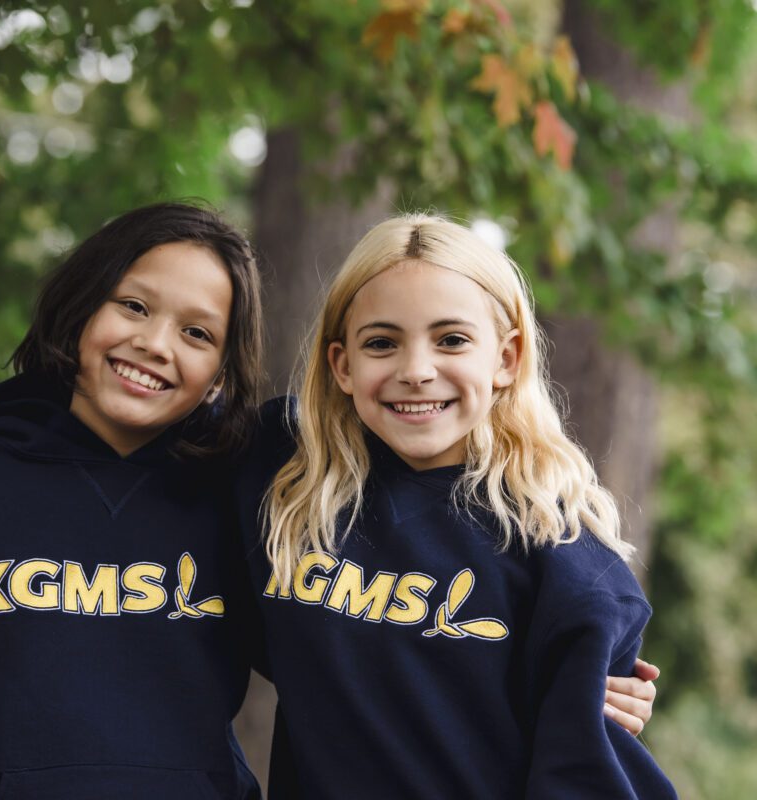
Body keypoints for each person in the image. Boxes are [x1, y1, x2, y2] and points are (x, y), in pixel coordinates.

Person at [238, 213, 676, 798]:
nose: (416, 371)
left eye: (451, 340)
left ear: (507, 358)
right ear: (342, 364)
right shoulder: (285, 474)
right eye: (382, 343)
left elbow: (583, 774)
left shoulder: (564, 563)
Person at [0, 202, 264, 799]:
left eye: (196, 333)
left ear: (221, 374)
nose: (154, 343)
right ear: (81, 305)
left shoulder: (245, 494)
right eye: (133, 306)